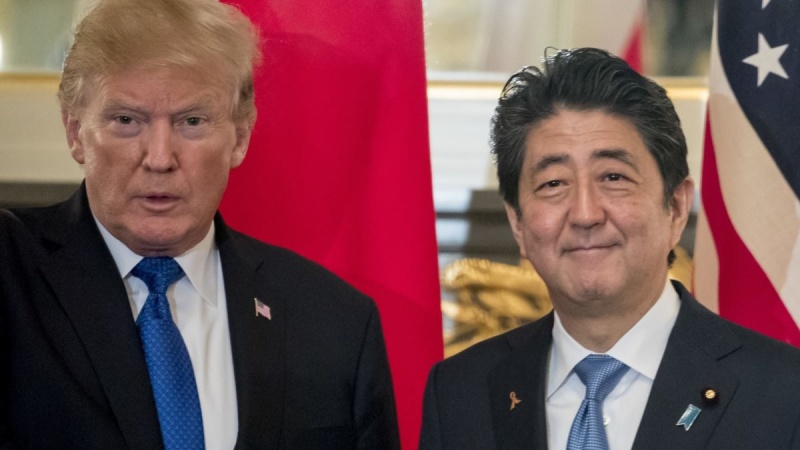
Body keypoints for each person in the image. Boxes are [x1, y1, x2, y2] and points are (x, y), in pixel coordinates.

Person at [0, 0, 399, 448]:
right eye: (127, 121)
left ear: (240, 137)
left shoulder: (334, 321)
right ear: (75, 132)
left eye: (192, 122)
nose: (159, 158)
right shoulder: (10, 272)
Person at [419, 47, 800, 449]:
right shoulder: (462, 392)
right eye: (553, 183)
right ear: (517, 223)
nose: (585, 214)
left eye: (613, 177)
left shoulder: (783, 394)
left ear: (675, 207)